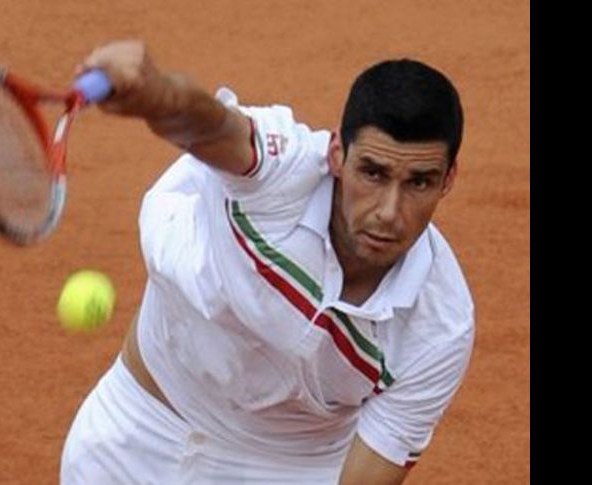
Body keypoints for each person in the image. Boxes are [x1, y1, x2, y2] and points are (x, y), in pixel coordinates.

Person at [60, 39, 474, 485]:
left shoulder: (439, 328)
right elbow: (212, 125)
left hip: (284, 470)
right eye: (372, 173)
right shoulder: (284, 170)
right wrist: (155, 91)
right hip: (140, 429)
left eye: (420, 182)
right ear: (337, 154)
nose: (389, 211)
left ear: (448, 179)